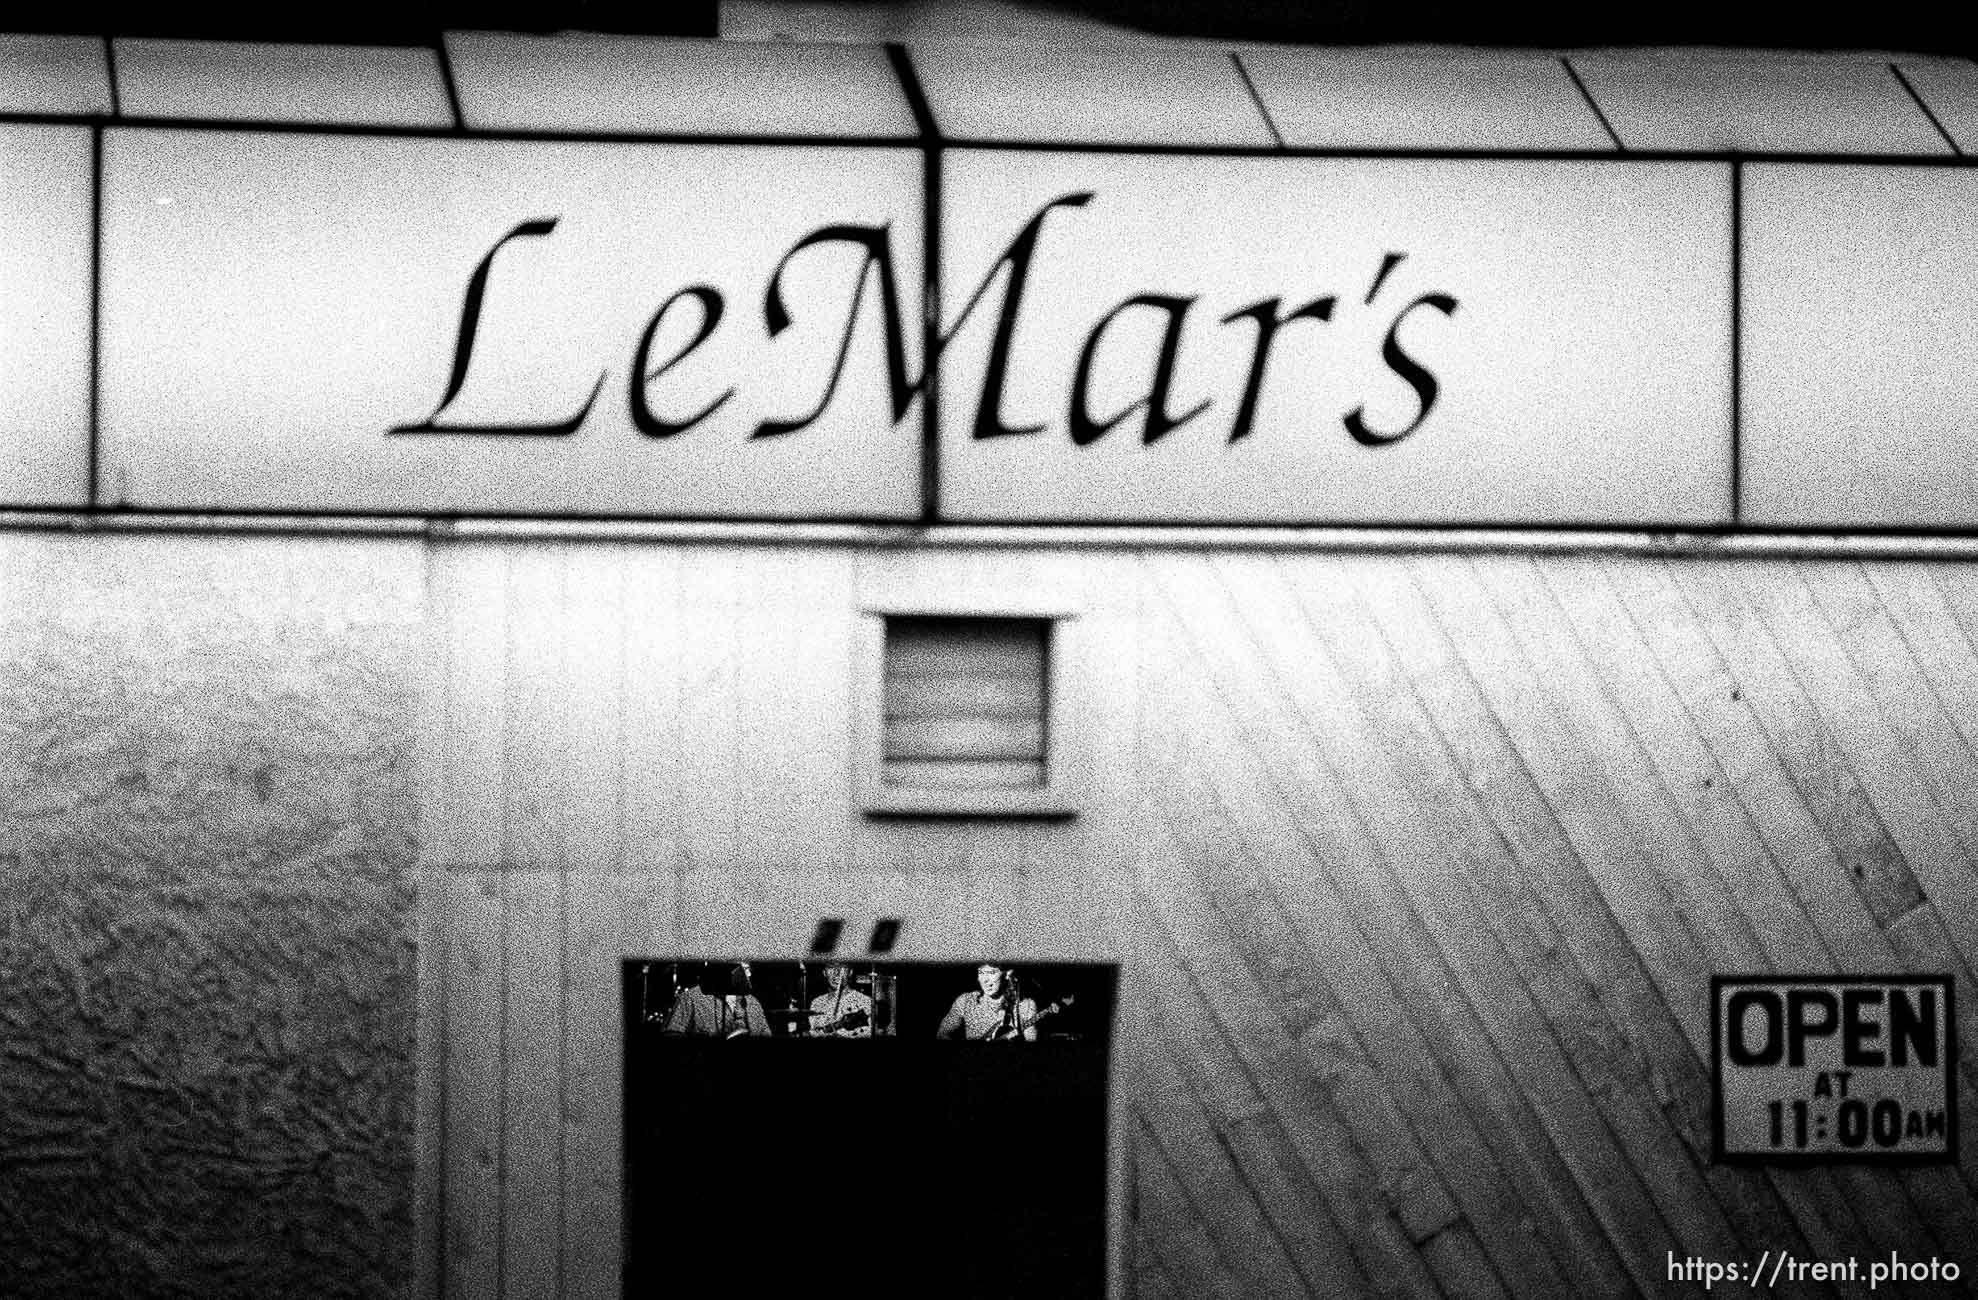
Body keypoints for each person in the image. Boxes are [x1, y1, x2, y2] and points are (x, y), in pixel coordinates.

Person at [662, 963, 770, 1038]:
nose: (749, 974)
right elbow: (672, 1034)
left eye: (749, 969)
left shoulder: (753, 1002)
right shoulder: (691, 997)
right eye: (744, 969)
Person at [937, 963, 1038, 1041]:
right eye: (981, 972)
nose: (985, 980)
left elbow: (1032, 1040)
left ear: (1007, 974)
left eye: (992, 973)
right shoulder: (966, 1001)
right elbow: (942, 1034)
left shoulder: (1026, 1005)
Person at [807, 961, 873, 1038]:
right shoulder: (817, 1002)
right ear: (824, 973)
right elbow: (813, 1032)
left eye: (842, 967)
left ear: (850, 972)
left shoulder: (865, 1001)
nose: (836, 973)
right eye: (831, 967)